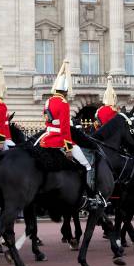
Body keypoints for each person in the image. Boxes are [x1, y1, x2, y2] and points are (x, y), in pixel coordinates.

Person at [38, 61, 104, 206]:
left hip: (46, 138)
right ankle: (89, 196)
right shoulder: (63, 103)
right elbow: (65, 128)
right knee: (86, 164)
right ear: (66, 91)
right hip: (58, 139)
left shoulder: (48, 102)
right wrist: (68, 148)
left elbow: (47, 120)